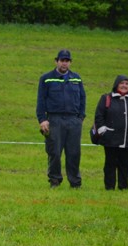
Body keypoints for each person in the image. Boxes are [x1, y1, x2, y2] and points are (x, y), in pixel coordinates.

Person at [36, 49, 86, 189]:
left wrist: (80, 117)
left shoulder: (76, 78)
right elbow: (41, 100)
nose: (64, 63)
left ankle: (75, 182)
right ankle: (54, 180)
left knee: (74, 152)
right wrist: (42, 119)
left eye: (67, 61)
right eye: (62, 60)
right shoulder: (46, 78)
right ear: (56, 61)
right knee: (54, 152)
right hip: (54, 119)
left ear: (70, 62)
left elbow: (83, 98)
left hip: (73, 120)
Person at [94, 75, 128, 191]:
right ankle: (109, 187)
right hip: (110, 137)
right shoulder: (106, 98)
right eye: (122, 83)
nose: (124, 86)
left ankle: (123, 186)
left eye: (127, 84)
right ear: (116, 85)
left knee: (124, 164)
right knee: (110, 163)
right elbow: (99, 116)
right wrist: (103, 130)